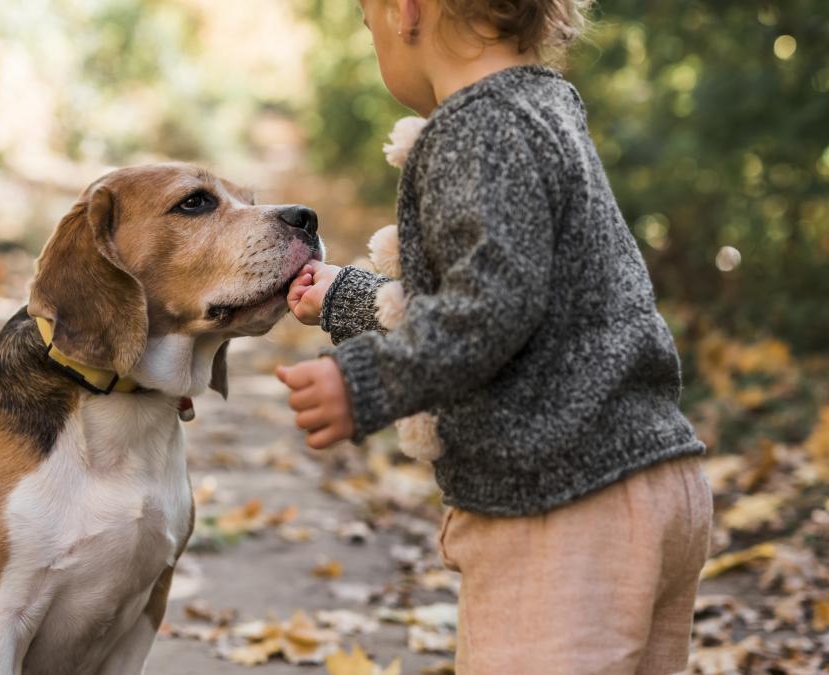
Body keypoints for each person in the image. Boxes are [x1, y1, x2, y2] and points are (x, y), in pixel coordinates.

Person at [275, 1, 713, 673]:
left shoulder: (474, 128)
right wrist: (350, 298)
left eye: (369, 26)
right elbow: (514, 302)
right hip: (654, 478)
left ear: (405, 12)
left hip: (563, 508)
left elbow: (491, 306)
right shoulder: (544, 107)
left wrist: (366, 379)